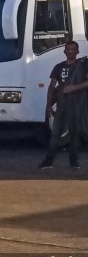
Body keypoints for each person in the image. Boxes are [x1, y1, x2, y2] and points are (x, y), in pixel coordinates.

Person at [38, 40, 88, 170]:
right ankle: (49, 161)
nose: (70, 51)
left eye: (73, 49)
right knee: (55, 135)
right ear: (64, 51)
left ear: (77, 51)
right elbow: (51, 87)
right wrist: (48, 106)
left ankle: (74, 161)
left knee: (75, 135)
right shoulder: (58, 67)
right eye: (68, 49)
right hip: (61, 106)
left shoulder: (83, 66)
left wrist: (74, 88)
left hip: (77, 105)